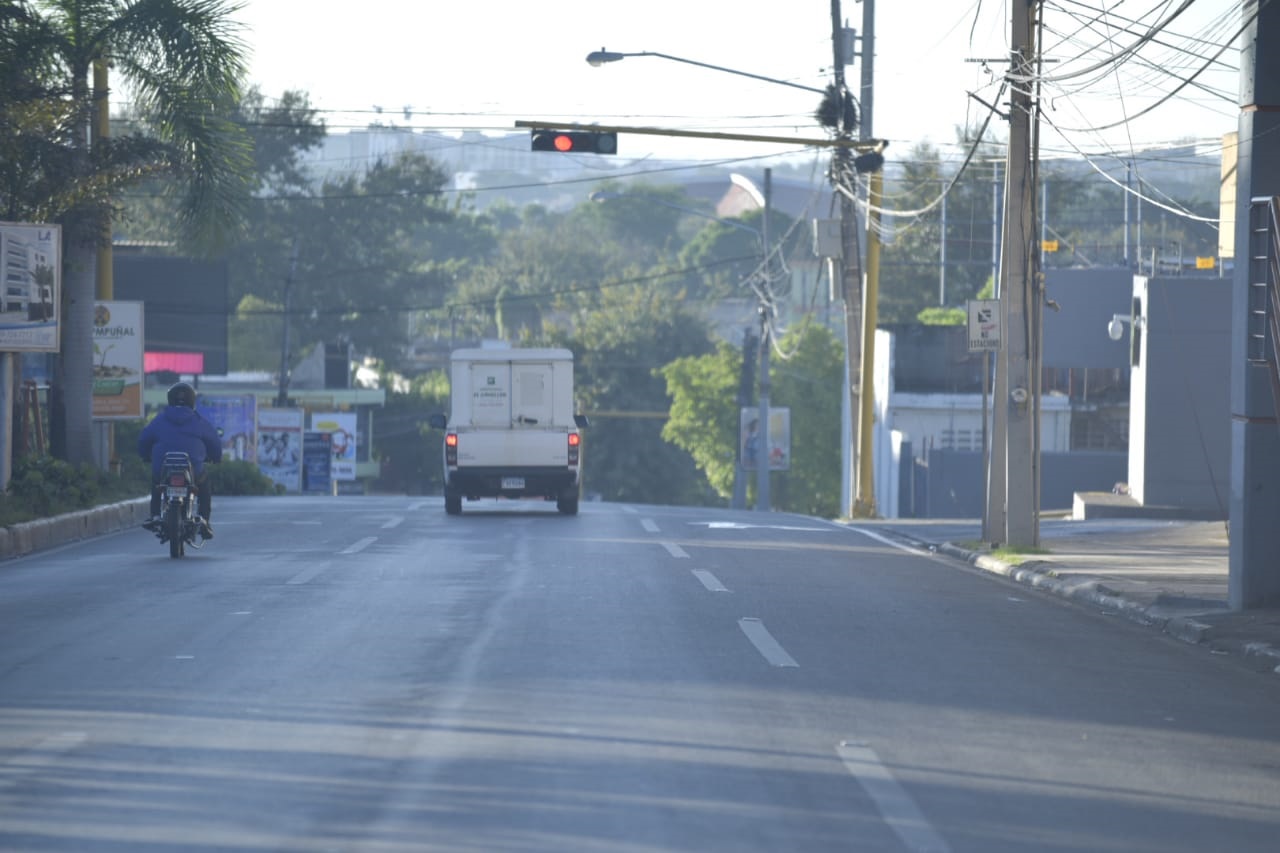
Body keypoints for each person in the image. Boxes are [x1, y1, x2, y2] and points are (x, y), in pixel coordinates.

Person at [138, 381, 222, 538]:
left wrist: (144, 456)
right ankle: (204, 519)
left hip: (163, 469)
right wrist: (216, 458)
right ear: (192, 400)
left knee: (157, 485)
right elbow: (214, 442)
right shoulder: (199, 421)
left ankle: (155, 515)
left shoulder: (159, 420)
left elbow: (143, 440)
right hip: (193, 471)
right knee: (204, 487)